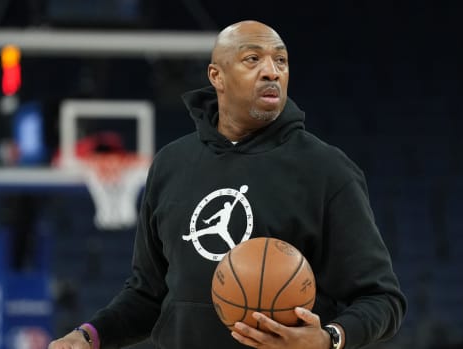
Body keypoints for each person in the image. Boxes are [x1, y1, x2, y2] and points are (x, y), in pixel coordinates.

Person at [48, 20, 406, 349]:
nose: (272, 71)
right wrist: (89, 336)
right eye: (253, 59)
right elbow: (149, 295)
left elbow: (382, 299)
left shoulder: (328, 170)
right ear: (216, 76)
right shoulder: (171, 164)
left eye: (280, 61)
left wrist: (329, 339)